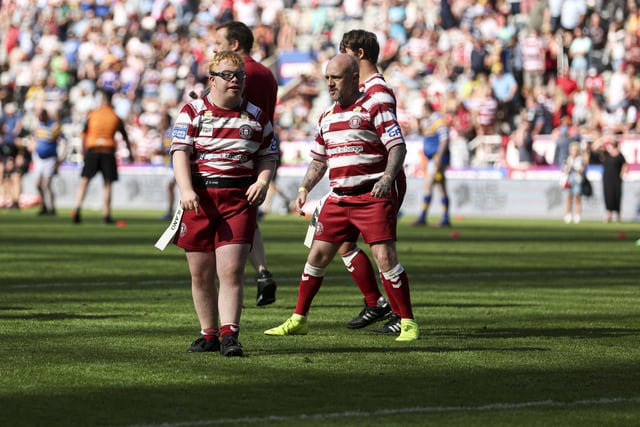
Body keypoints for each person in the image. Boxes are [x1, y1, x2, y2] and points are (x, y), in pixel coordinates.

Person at [264, 54, 419, 342]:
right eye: (327, 78)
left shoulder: (375, 106)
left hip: (371, 196)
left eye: (335, 77)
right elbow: (319, 162)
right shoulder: (326, 116)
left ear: (353, 78)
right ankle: (299, 319)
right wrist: (303, 189)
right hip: (338, 199)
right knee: (317, 257)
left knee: (385, 257)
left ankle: (408, 321)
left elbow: (397, 146)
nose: (330, 83)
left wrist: (387, 178)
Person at [170, 50, 278, 357]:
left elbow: (268, 154)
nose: (235, 81)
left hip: (238, 199)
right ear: (212, 80)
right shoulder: (192, 111)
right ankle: (209, 334)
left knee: (231, 271)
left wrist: (262, 180)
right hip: (200, 199)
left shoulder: (256, 115)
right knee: (200, 273)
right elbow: (180, 152)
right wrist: (186, 189)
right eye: (228, 75)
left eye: (239, 76)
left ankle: (231, 334)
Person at [336, 29, 408, 333]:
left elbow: (391, 140)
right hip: (360, 179)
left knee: (382, 251)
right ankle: (375, 303)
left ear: (359, 54)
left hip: (379, 179)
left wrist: (385, 176)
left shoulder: (376, 90)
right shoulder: (365, 88)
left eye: (344, 52)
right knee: (343, 242)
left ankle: (400, 316)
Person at [213, 21, 279, 307]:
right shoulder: (267, 74)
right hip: (263, 148)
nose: (214, 48)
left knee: (231, 216)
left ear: (235, 45)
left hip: (234, 149)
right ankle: (261, 272)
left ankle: (236, 277)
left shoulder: (238, 74)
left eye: (219, 43)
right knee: (247, 214)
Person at [71, 89, 133, 224]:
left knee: (84, 181)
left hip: (93, 151)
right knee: (108, 184)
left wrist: (83, 152)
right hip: (108, 152)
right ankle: (106, 215)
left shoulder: (93, 115)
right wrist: (130, 153)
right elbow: (125, 137)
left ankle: (77, 208)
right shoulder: (115, 117)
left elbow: (83, 134)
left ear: (101, 99)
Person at [413, 101, 451, 228]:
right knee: (441, 187)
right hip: (432, 158)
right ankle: (445, 218)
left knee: (428, 185)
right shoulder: (428, 122)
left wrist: (439, 157)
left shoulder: (438, 120)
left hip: (437, 158)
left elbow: (444, 138)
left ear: (426, 109)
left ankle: (423, 216)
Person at [30, 107, 66, 216]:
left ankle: (52, 208)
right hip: (39, 158)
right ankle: (43, 206)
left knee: (47, 184)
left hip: (50, 159)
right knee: (37, 184)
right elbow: (33, 139)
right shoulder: (37, 126)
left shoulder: (54, 126)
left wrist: (61, 157)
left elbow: (63, 141)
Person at [597, 137, 627, 222]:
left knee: (617, 195)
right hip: (607, 178)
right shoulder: (605, 154)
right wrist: (602, 139)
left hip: (617, 178)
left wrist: (622, 173)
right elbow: (595, 148)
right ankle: (608, 214)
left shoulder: (619, 155)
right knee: (608, 196)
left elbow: (624, 164)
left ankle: (618, 216)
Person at [562, 141, 586, 224]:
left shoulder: (580, 160)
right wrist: (567, 167)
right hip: (569, 179)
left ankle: (577, 215)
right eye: (572, 150)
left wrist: (574, 167)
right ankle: (568, 214)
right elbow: (564, 170)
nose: (574, 152)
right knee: (569, 197)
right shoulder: (568, 159)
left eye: (575, 150)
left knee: (577, 197)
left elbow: (581, 170)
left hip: (577, 179)